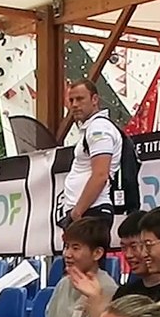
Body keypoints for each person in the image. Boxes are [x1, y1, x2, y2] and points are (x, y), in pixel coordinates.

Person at [59, 78, 121, 230]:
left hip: (91, 211)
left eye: (80, 99)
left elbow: (100, 175)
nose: (74, 105)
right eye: (71, 100)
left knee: (84, 254)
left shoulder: (98, 128)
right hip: (87, 211)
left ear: (94, 99)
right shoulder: (93, 128)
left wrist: (77, 212)